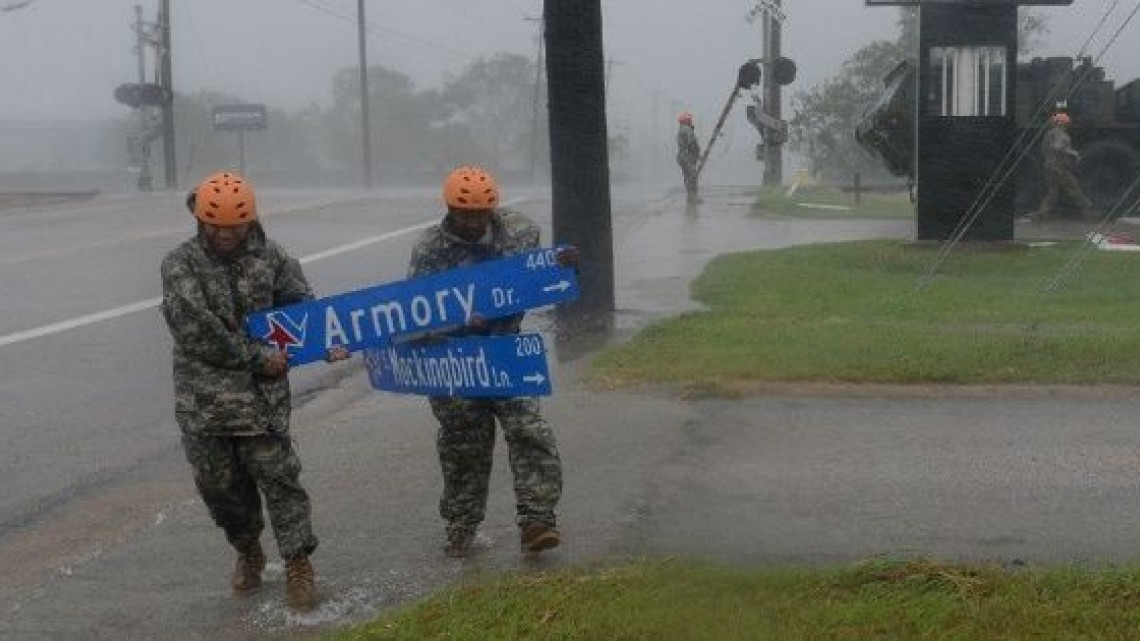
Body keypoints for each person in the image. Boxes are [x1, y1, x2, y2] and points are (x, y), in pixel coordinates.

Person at [160, 171, 346, 612]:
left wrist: (326, 340)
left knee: (281, 480)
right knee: (219, 488)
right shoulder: (179, 264)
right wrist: (257, 357)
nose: (225, 234)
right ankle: (247, 547)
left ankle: (298, 562)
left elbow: (302, 308)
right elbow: (196, 330)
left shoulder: (273, 258)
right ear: (200, 219)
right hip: (203, 403)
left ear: (249, 221)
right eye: (215, 225)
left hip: (262, 402)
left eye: (235, 226)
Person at [407, 166, 577, 558]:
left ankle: (537, 520)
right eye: (463, 214)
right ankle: (461, 525)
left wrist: (564, 265)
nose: (471, 222)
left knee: (530, 430)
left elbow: (540, 279)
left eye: (479, 214)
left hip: (505, 351)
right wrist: (456, 319)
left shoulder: (520, 232)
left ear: (492, 209)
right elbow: (411, 318)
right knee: (464, 443)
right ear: (449, 209)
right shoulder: (429, 249)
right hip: (454, 358)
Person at [1031, 112, 1094, 221]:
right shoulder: (1060, 134)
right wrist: (1073, 153)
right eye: (1066, 123)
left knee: (1053, 192)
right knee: (1073, 187)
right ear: (1063, 123)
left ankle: (1042, 214)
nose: (1068, 125)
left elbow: (1046, 149)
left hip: (1049, 165)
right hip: (1058, 166)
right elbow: (1057, 147)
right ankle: (1088, 212)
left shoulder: (1049, 133)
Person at [676, 110, 702, 203]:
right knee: (693, 176)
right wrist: (697, 155)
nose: (691, 121)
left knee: (687, 176)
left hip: (682, 157)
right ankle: (693, 196)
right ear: (686, 120)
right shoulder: (687, 129)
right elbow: (692, 143)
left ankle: (690, 195)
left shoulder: (681, 129)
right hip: (687, 157)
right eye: (689, 119)